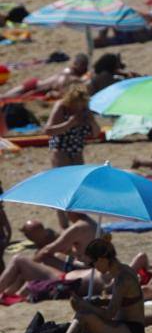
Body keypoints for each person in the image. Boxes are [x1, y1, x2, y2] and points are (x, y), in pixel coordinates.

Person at [51, 238, 145, 333]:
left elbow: (110, 314)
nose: (94, 267)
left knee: (82, 315)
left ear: (101, 259)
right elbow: (126, 301)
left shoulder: (123, 279)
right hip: (126, 328)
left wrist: (87, 305)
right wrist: (98, 301)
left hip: (130, 331)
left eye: (92, 263)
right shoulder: (124, 270)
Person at [0, 213, 107, 297]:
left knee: (22, 260)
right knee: (45, 260)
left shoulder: (78, 227)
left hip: (78, 273)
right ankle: (11, 291)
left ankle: (10, 291)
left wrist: (33, 262)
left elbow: (48, 250)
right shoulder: (93, 224)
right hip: (84, 270)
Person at [44, 84, 100, 227]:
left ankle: (77, 219)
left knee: (77, 185)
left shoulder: (85, 110)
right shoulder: (61, 107)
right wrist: (69, 123)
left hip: (76, 148)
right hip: (59, 146)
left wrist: (92, 121)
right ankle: (63, 222)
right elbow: (49, 130)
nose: (78, 108)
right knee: (61, 185)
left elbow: (95, 133)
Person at [0, 52, 89, 100]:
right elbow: (56, 87)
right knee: (5, 98)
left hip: (36, 83)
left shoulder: (68, 71)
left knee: (5, 97)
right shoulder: (70, 75)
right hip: (38, 89)